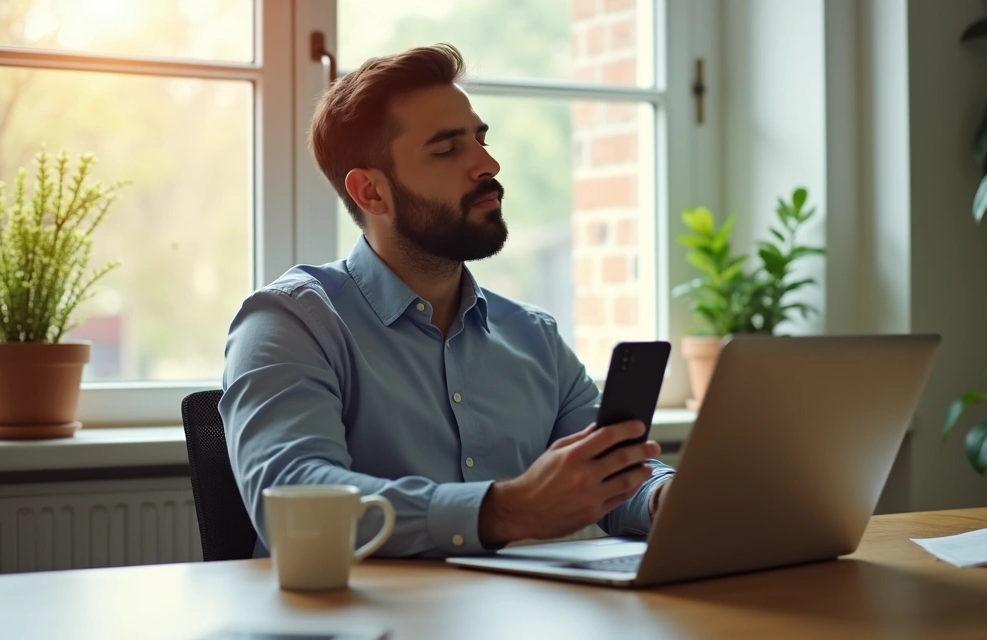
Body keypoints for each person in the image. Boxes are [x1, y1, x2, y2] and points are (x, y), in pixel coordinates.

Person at [220, 43, 674, 558]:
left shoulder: (534, 338)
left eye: (480, 139)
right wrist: (505, 509)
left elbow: (609, 473)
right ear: (371, 193)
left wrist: (663, 496)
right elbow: (298, 501)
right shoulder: (290, 322)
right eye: (446, 149)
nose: (488, 163)